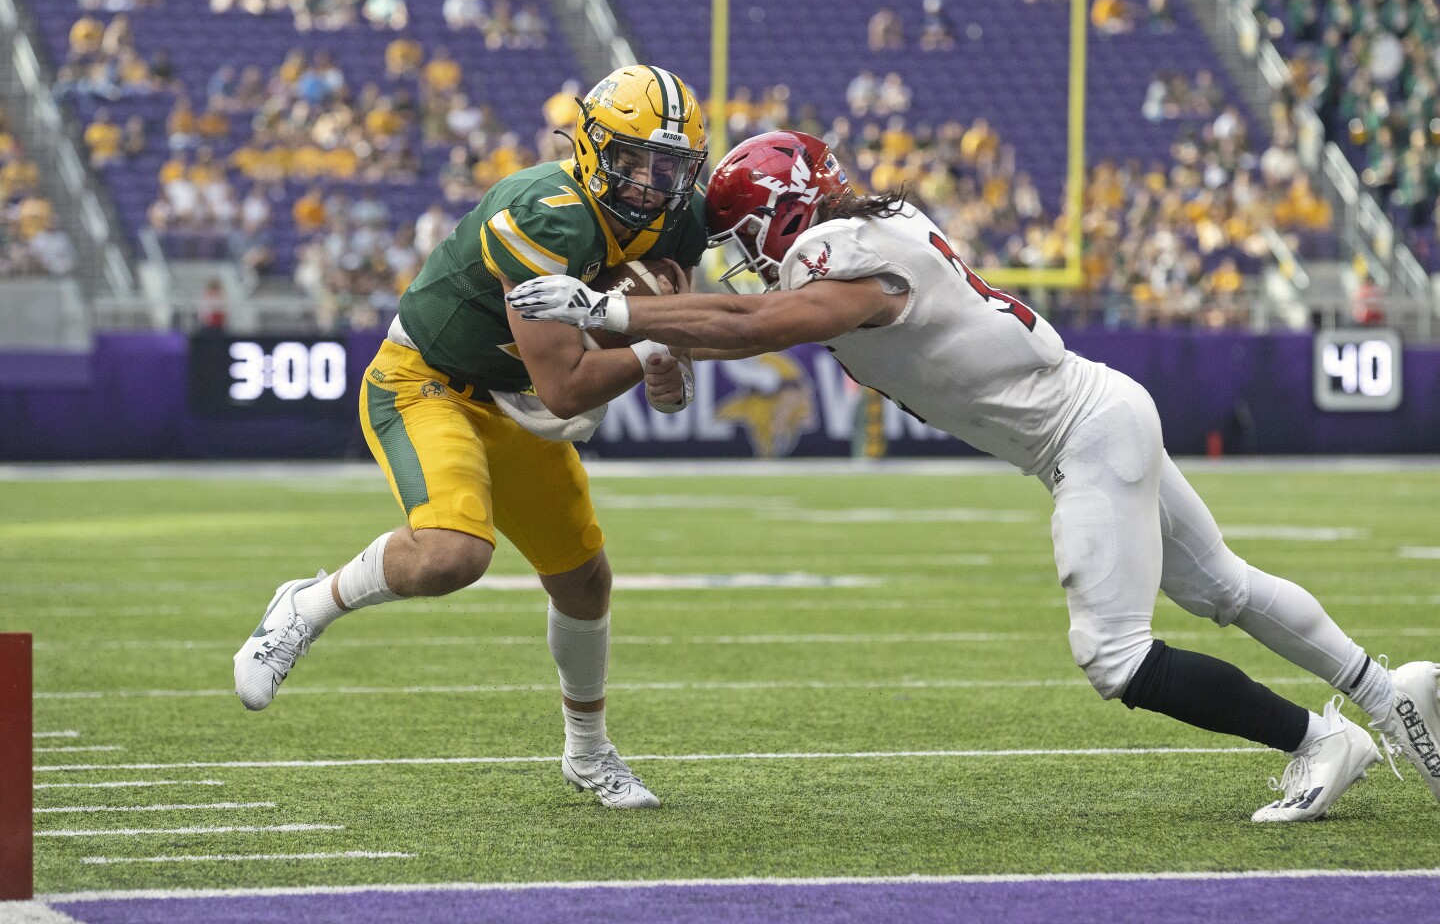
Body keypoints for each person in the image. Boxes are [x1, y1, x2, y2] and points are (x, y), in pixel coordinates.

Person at [508, 130, 1440, 822]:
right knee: (1222, 586)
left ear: (784, 211)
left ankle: (1321, 740)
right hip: (1099, 410)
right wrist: (656, 345)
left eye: (744, 231)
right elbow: (746, 323)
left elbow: (757, 326)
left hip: (1083, 435)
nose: (744, 254)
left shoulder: (847, 257)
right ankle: (1388, 692)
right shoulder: (868, 233)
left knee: (1115, 655)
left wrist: (614, 314)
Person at [232, 66, 711, 810]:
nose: (651, 185)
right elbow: (567, 384)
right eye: (634, 160)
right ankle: (308, 604)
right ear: (591, 147)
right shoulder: (545, 213)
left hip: (514, 398)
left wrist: (665, 366)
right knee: (453, 554)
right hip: (427, 380)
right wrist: (653, 347)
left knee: (584, 579)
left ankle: (588, 754)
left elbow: (661, 331)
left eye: (669, 167)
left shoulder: (681, 220)